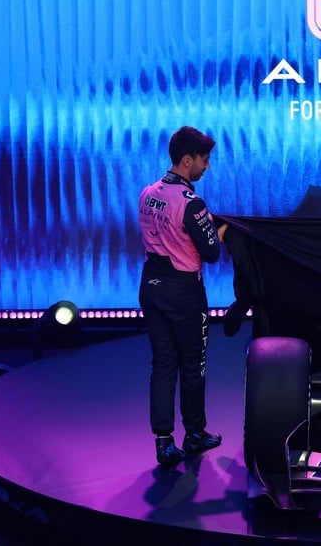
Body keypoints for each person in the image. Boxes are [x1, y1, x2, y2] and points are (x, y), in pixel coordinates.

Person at [138, 126, 229, 466]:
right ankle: (194, 434)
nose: (208, 166)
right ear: (187, 160)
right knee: (193, 365)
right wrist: (223, 230)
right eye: (205, 160)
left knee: (163, 363)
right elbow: (211, 252)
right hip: (184, 293)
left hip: (151, 287)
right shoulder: (192, 203)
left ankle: (163, 442)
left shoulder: (148, 192)